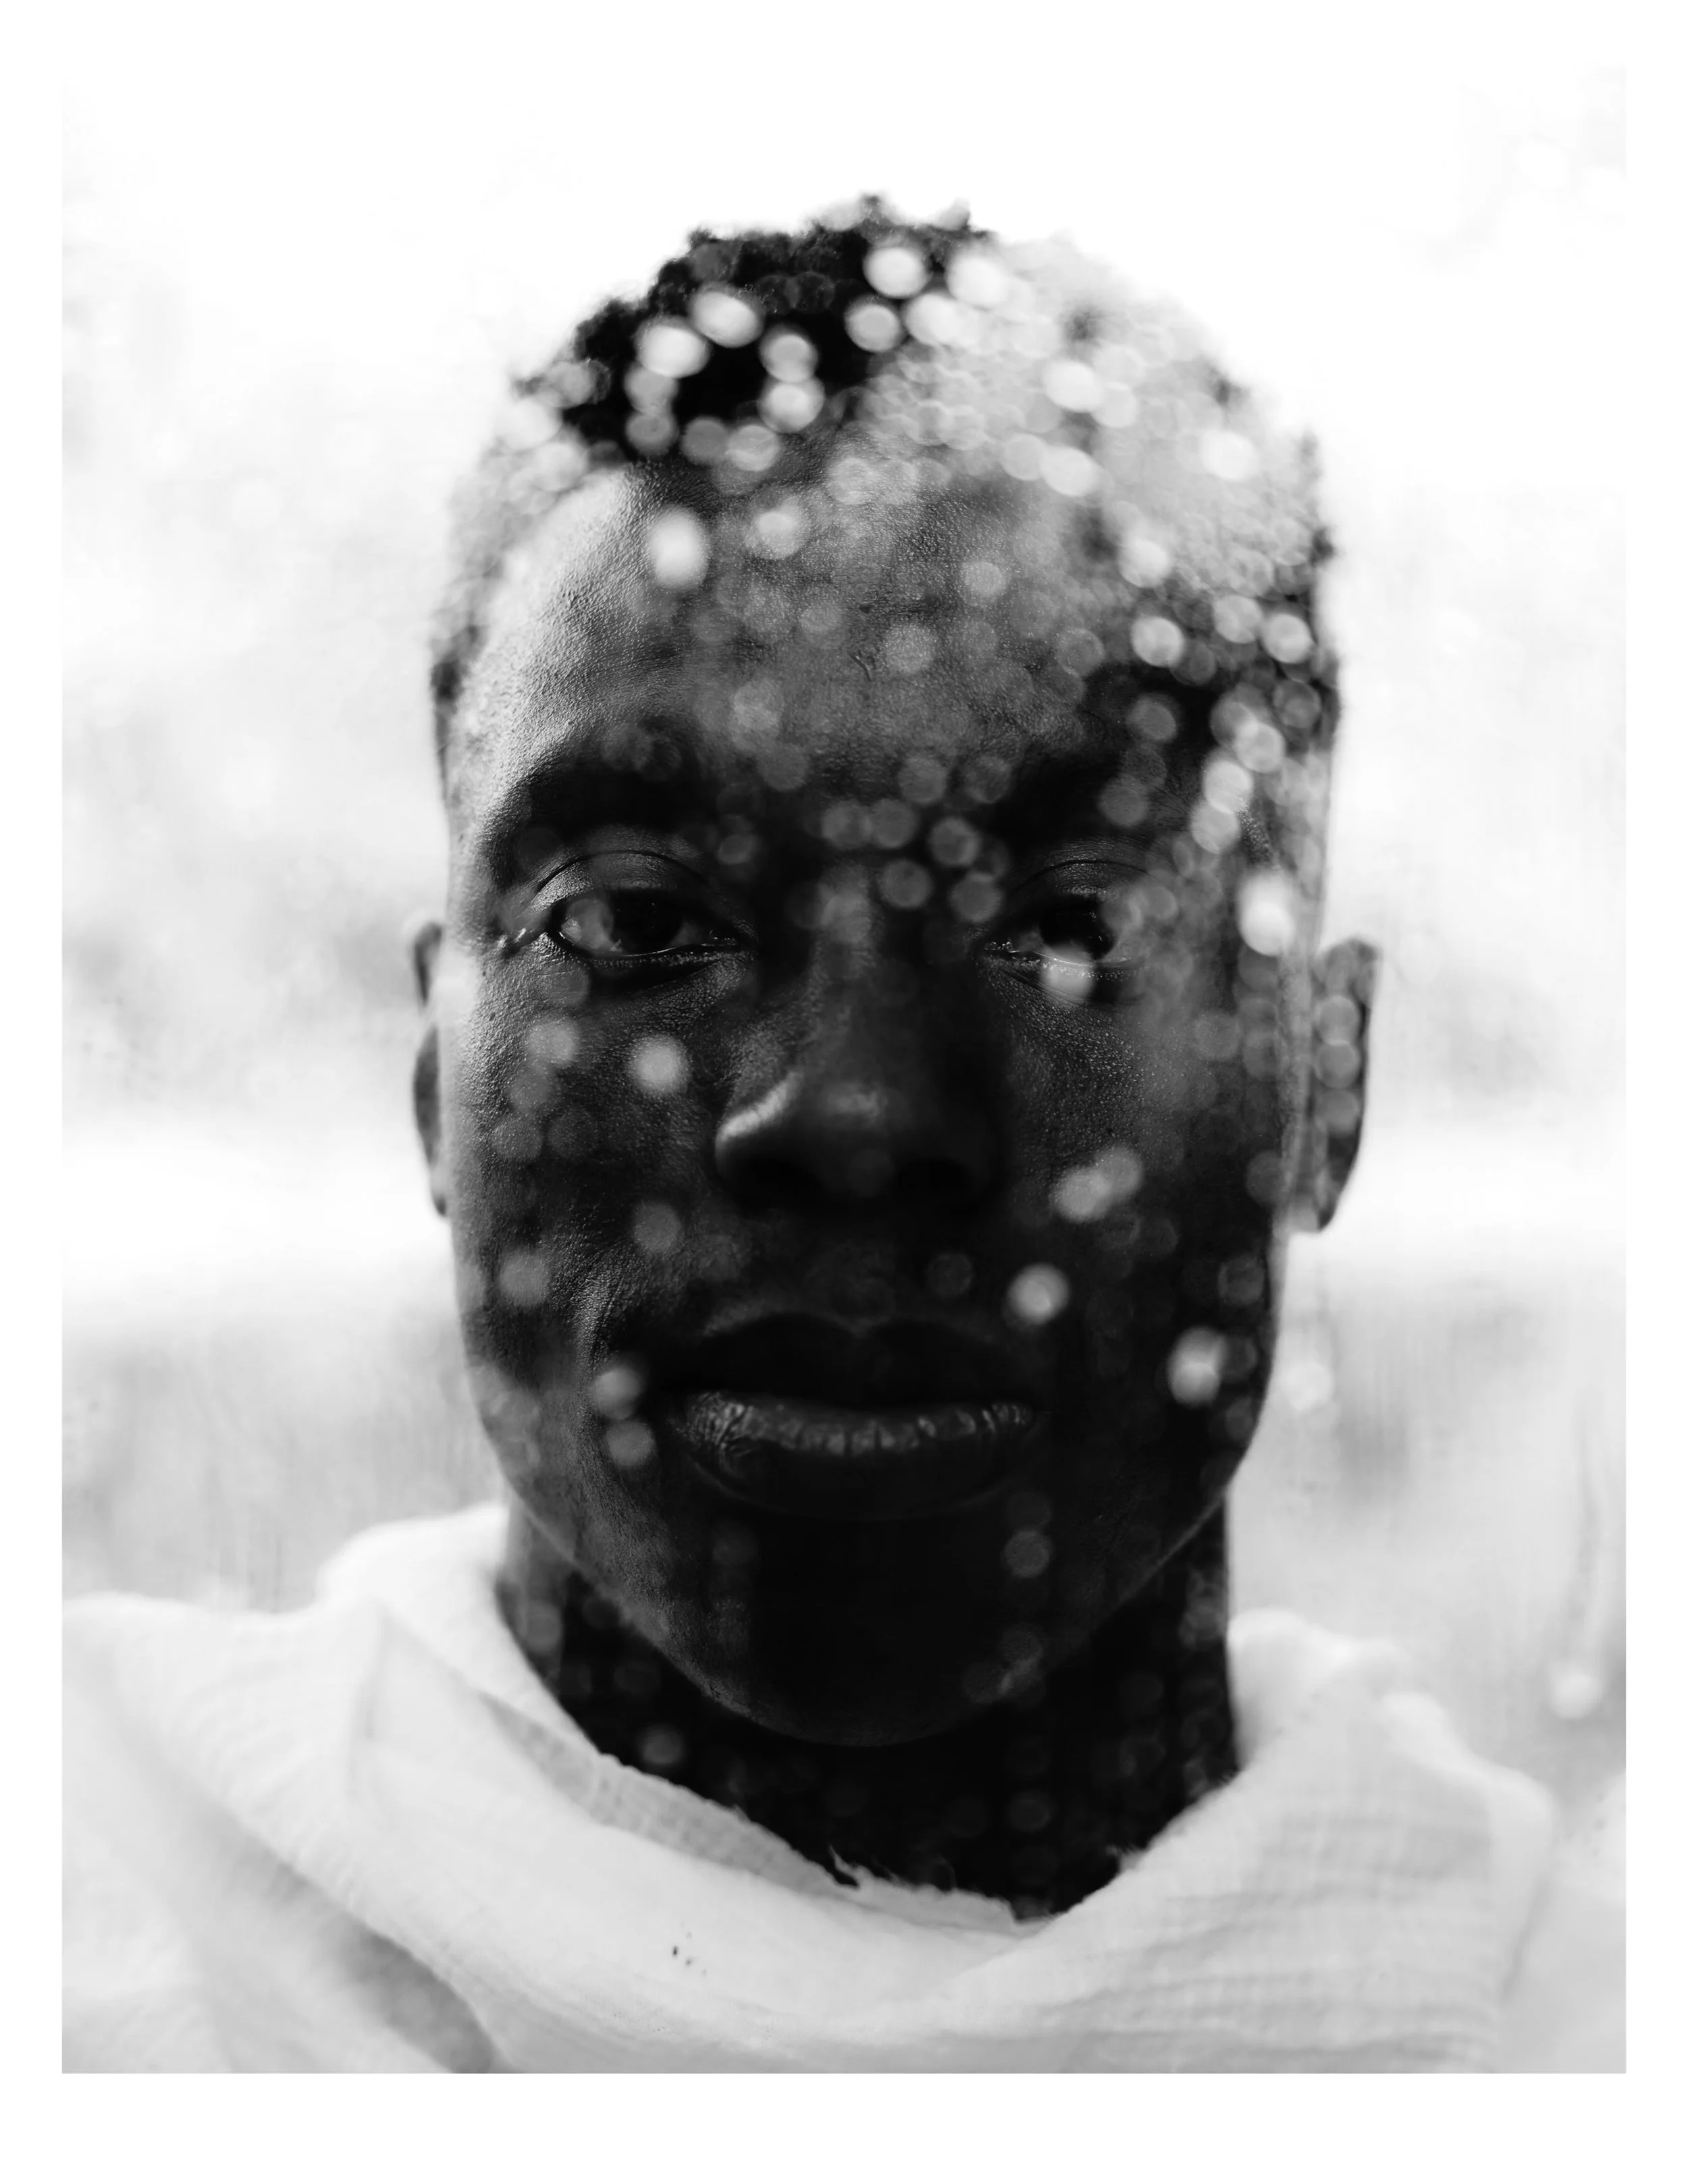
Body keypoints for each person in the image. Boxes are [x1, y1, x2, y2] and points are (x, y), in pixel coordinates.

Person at [63, 201, 1623, 2071]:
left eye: (1074, 928)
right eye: (635, 922)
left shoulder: (1580, 2048)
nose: (855, 1111)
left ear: (1323, 1077)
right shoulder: (94, 1945)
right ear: (434, 1075)